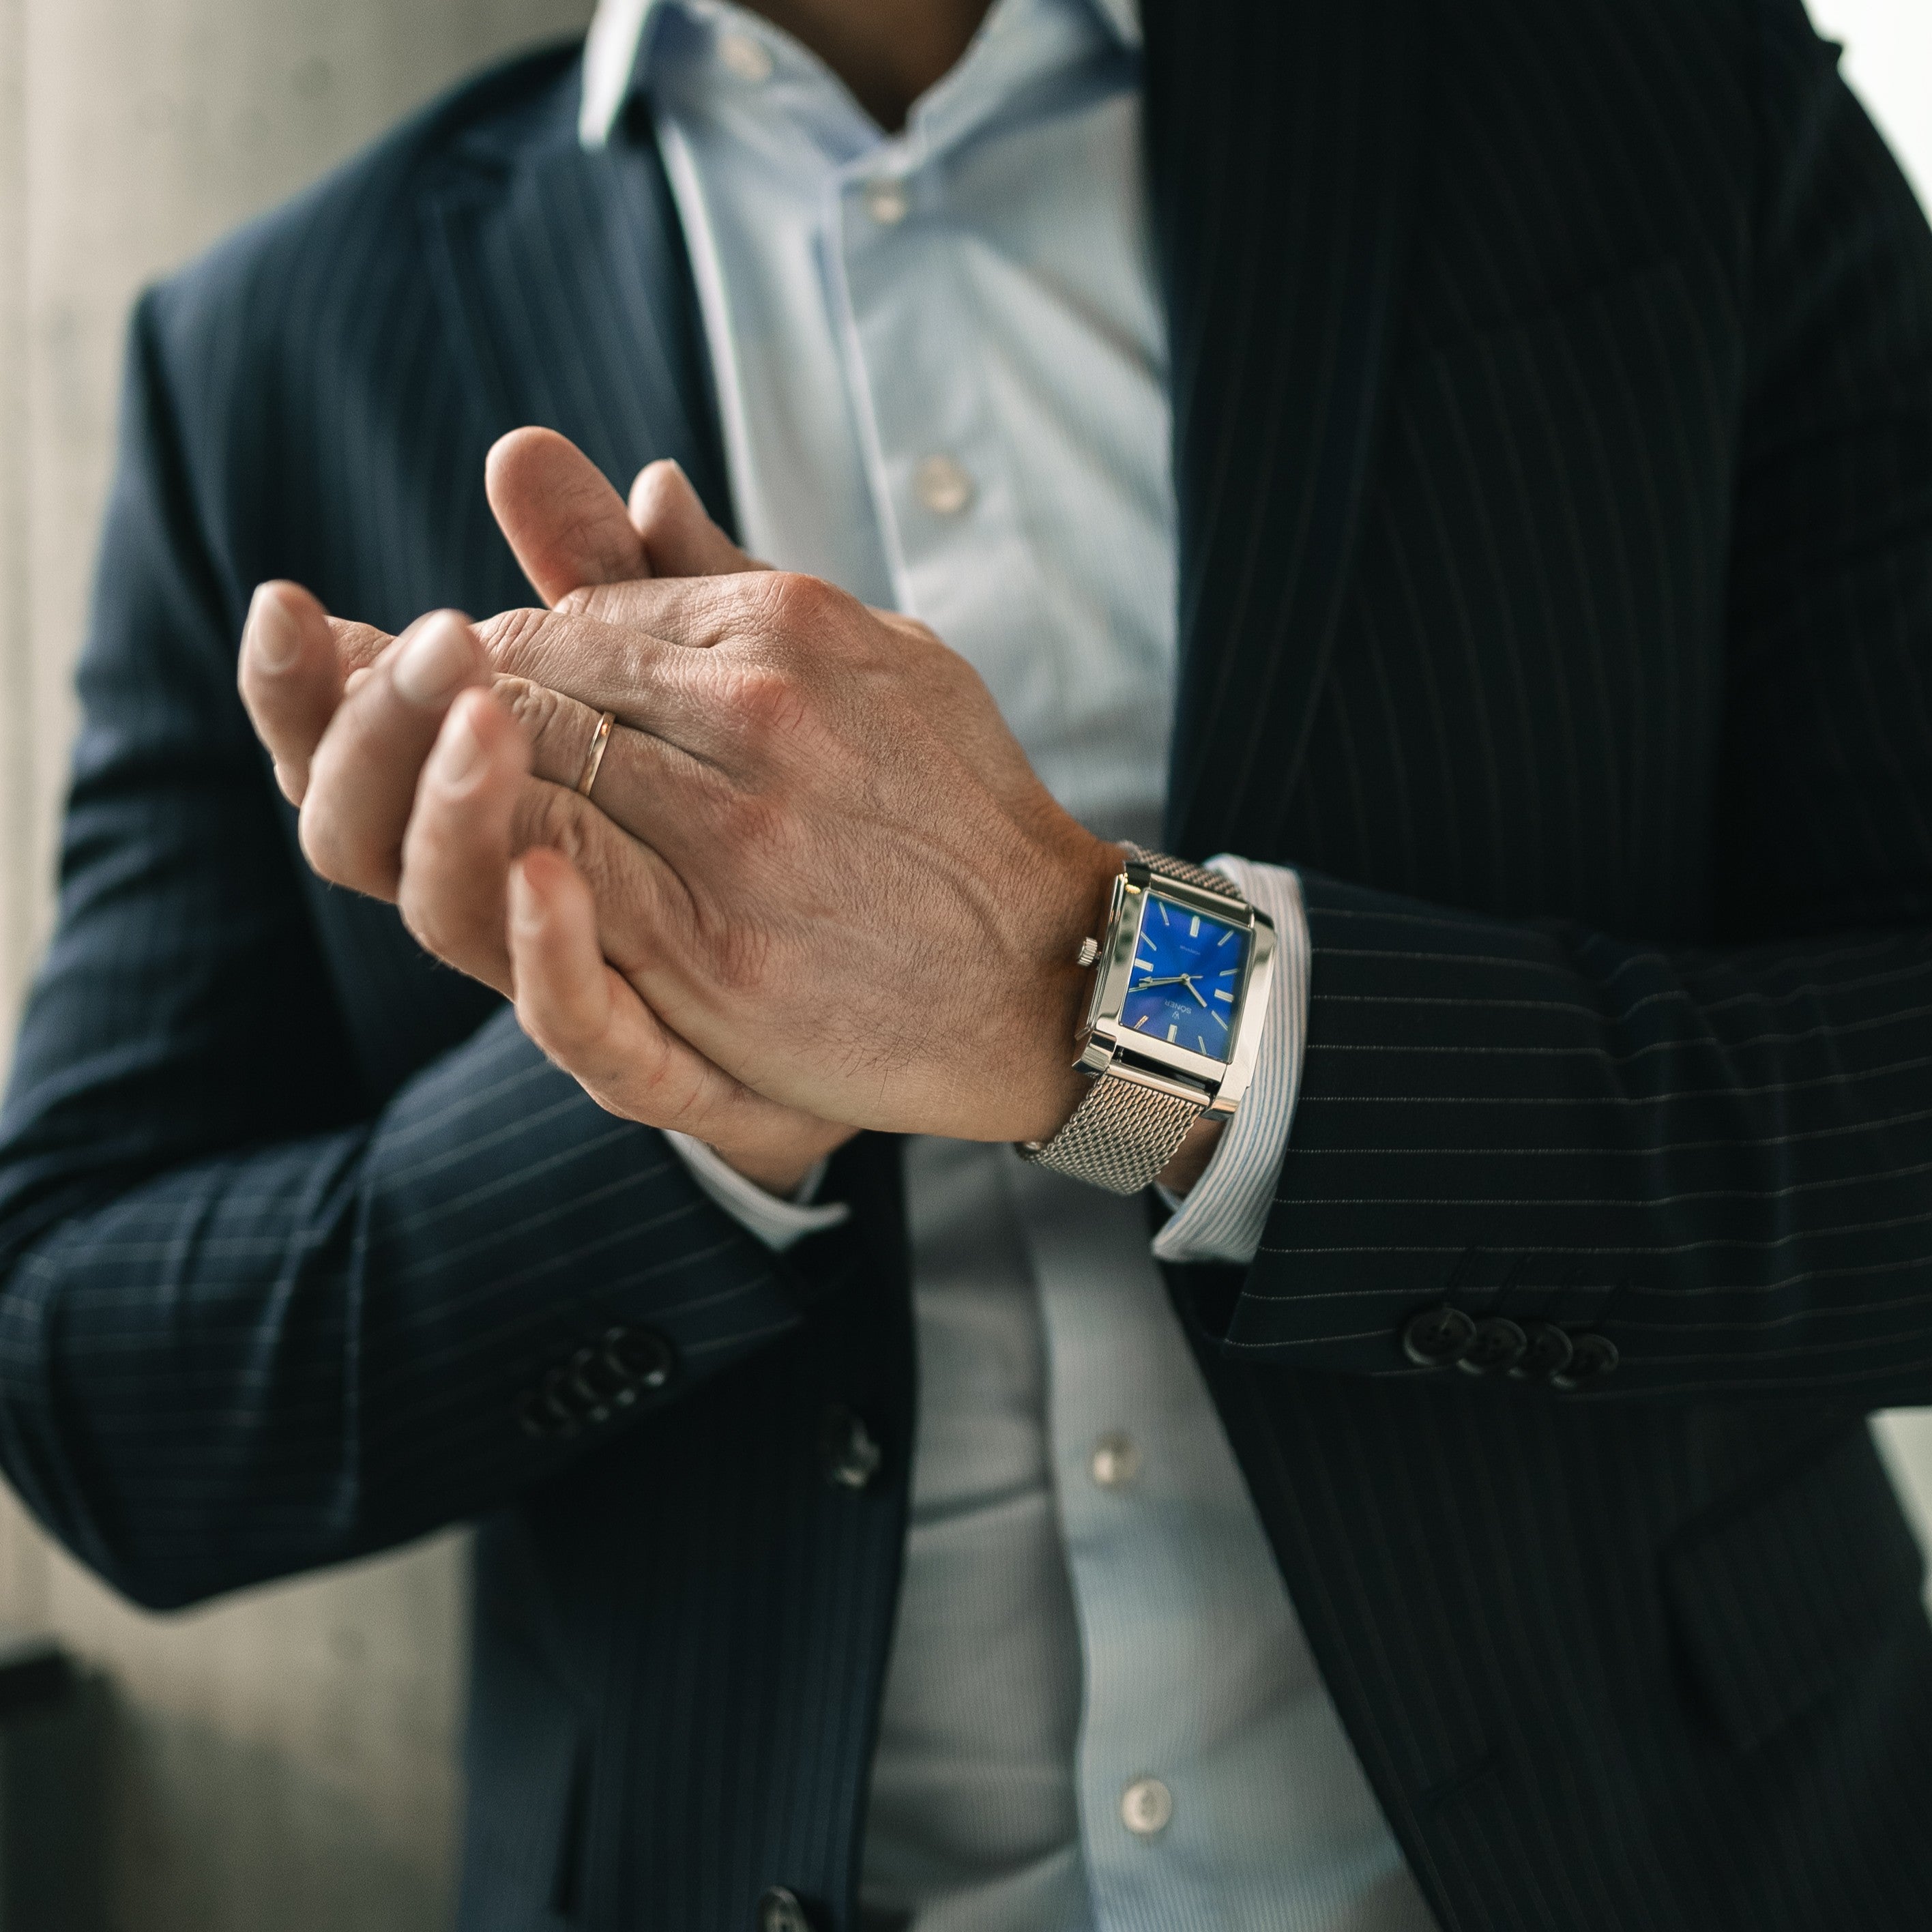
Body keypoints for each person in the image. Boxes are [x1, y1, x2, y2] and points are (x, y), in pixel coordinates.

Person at [2, 0, 1931, 1926]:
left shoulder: (1668, 86)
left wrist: (1092, 997)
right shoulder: (270, 344)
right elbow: (89, 1385)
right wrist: (677, 1083)